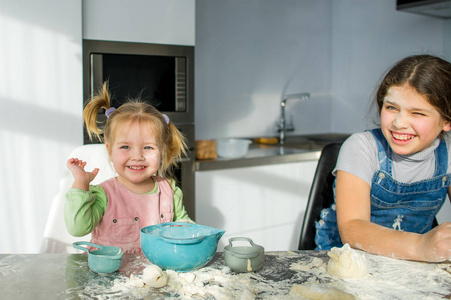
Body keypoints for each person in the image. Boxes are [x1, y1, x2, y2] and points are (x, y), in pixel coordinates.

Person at [315, 54, 451, 262]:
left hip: (412, 263)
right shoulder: (361, 147)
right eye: (391, 108)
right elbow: (352, 228)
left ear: (446, 121)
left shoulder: (449, 154)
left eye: (418, 113)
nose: (399, 123)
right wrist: (420, 245)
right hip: (346, 260)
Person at [65, 82, 193, 253]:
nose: (137, 156)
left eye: (148, 147)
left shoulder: (170, 191)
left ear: (162, 151)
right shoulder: (103, 194)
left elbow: (184, 229)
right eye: (125, 147)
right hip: (110, 277)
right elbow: (77, 228)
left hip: (158, 276)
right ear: (110, 151)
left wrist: (194, 235)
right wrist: (81, 183)